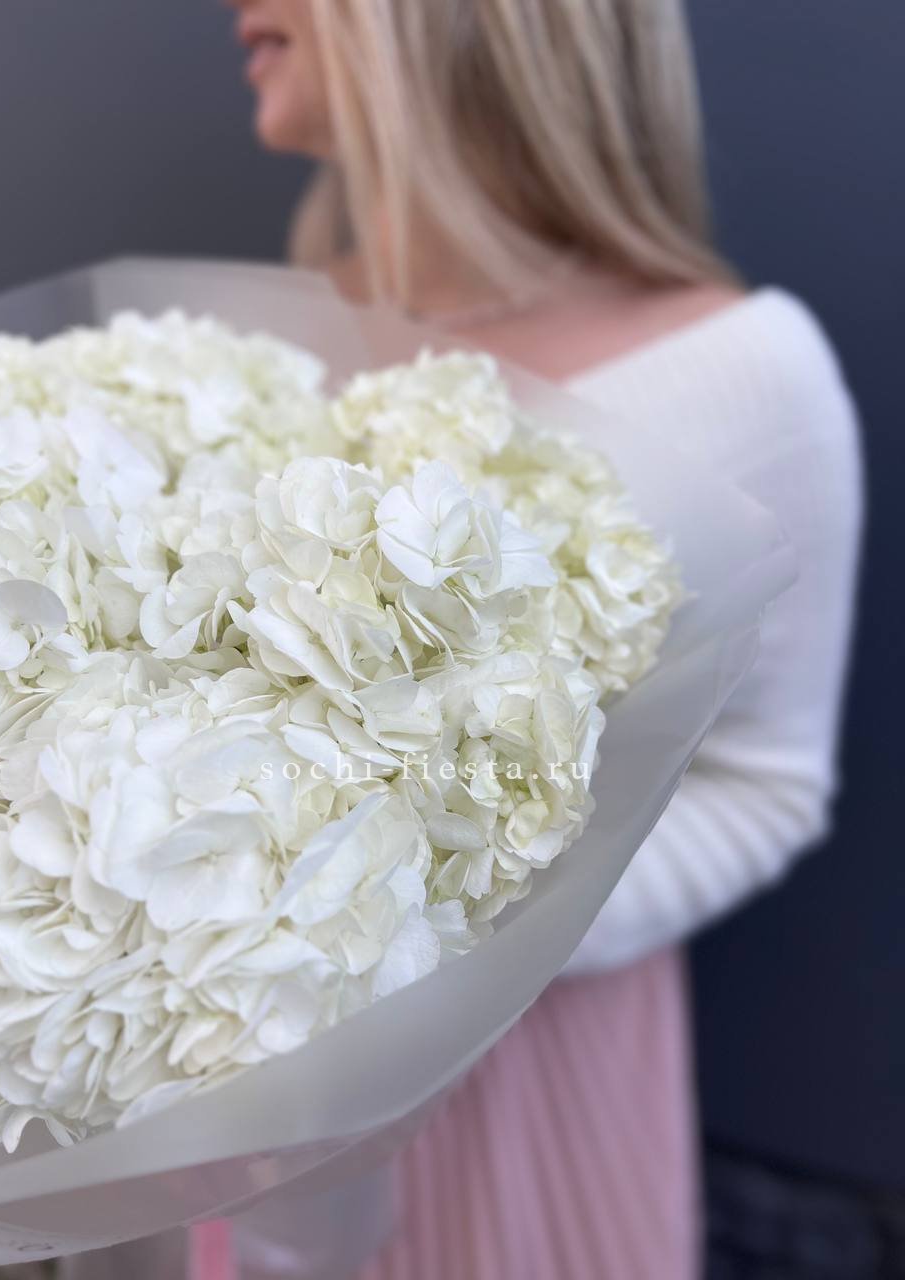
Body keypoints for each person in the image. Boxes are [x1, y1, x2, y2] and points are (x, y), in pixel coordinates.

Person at [66, 2, 862, 1277]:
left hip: (521, 1097)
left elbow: (766, 784)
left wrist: (432, 955)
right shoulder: (258, 341)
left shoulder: (744, 372)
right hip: (233, 1088)